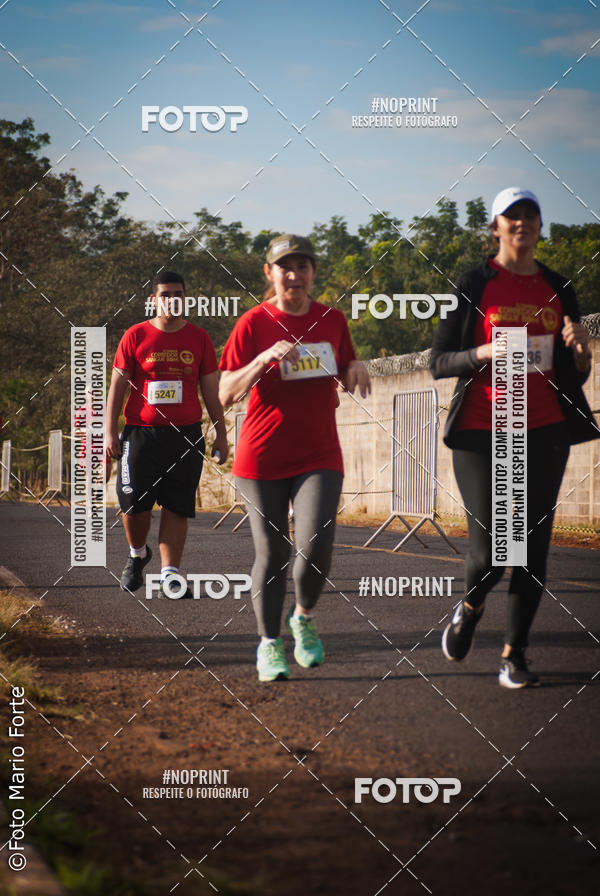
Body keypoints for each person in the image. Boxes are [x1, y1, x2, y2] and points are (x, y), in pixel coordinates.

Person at [430, 187, 597, 688]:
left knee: (530, 546)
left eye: (531, 215)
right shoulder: (476, 282)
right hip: (483, 430)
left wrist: (582, 351)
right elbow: (438, 361)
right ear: (497, 228)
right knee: (490, 554)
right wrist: (481, 354)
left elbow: (575, 373)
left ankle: (514, 654)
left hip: (544, 427)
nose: (522, 223)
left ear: (540, 227)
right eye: (512, 216)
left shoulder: (558, 286)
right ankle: (471, 606)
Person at [218, 234, 371, 681]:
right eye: (285, 267)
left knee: (316, 546)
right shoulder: (253, 323)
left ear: (312, 273)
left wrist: (355, 367)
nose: (294, 275)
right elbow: (225, 392)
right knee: (272, 554)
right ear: (269, 273)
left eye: (302, 266)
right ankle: (269, 645)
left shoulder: (332, 319)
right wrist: (262, 359)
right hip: (261, 456)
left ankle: (302, 616)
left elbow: (345, 367)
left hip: (319, 453)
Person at [107, 271, 228, 597]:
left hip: (185, 436)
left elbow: (211, 393)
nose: (172, 300)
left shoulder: (199, 338)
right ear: (153, 300)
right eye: (165, 294)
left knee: (177, 506)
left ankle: (171, 574)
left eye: (178, 294)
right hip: (140, 436)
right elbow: (117, 387)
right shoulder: (135, 336)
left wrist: (221, 433)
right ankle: (137, 554)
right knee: (133, 504)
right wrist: (110, 433)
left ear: (184, 298)